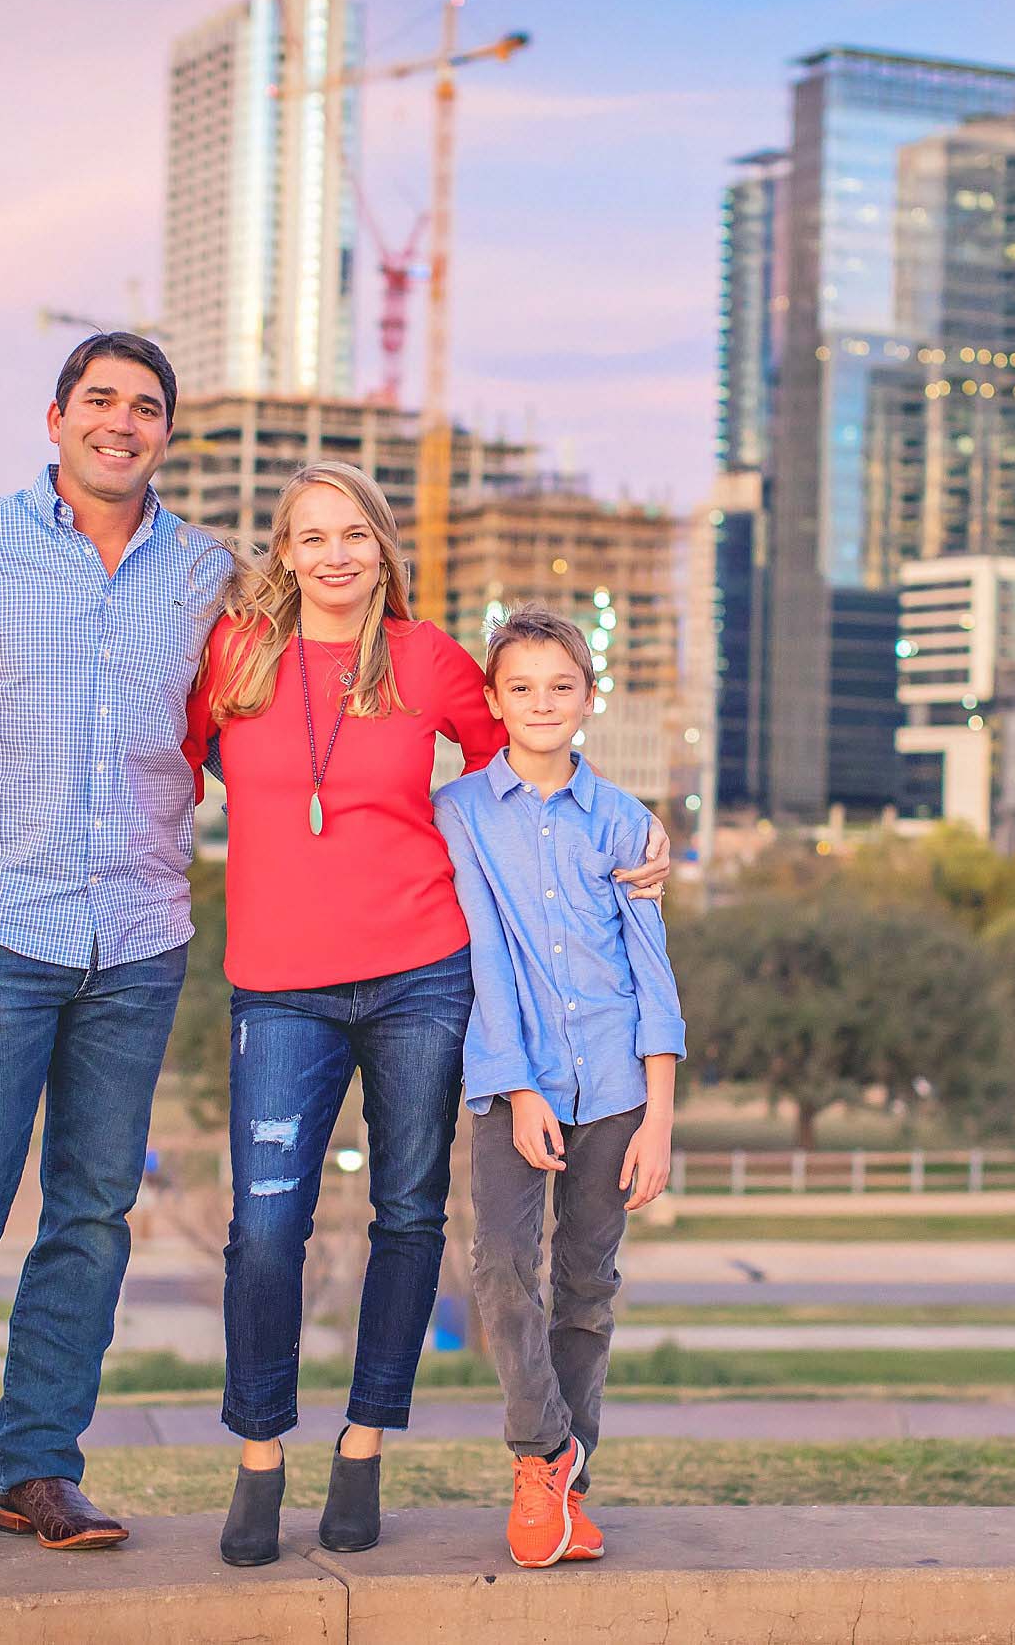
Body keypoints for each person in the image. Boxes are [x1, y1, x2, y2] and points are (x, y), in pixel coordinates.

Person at [183, 464, 669, 1568]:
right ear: (285, 551)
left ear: (384, 547)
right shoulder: (233, 657)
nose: (335, 555)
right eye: (311, 537)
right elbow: (167, 763)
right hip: (278, 984)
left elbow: (530, 769)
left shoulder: (428, 658)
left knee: (406, 1219)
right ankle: (259, 1456)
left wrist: (633, 839)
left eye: (355, 533)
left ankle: (363, 1449)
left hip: (420, 975)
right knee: (263, 1229)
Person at [0, 334, 230, 1557]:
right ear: (56, 416)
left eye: (144, 408)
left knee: (91, 1213)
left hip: (137, 938)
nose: (120, 423)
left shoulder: (208, 573)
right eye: (99, 402)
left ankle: (39, 1472)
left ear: (166, 433)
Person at [433, 605, 686, 1569]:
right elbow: (484, 961)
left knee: (588, 1286)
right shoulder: (459, 814)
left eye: (562, 687)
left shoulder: (627, 822)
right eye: (522, 687)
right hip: (514, 1084)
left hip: (618, 1085)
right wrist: (523, 1086)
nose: (543, 703)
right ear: (494, 701)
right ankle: (541, 1449)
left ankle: (565, 1495)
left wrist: (658, 1119)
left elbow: (651, 977)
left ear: (590, 698)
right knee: (500, 1264)